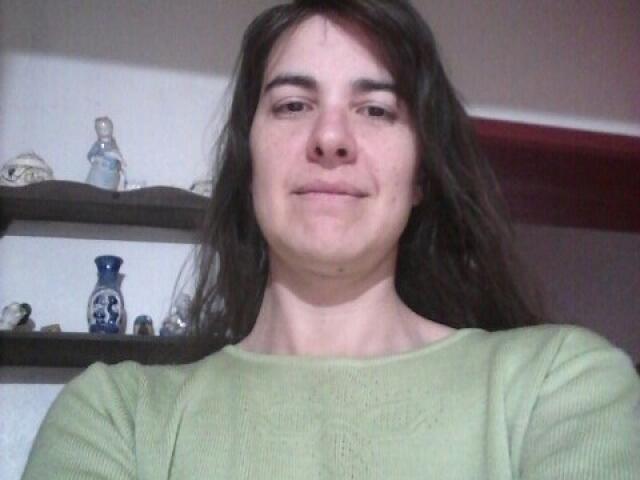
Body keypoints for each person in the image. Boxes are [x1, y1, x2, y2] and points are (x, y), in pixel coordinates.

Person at [23, 1, 640, 479]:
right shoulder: (116, 417)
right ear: (249, 161)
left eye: (377, 110)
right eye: (293, 105)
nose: (331, 138)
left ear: (421, 173)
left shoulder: (558, 386)